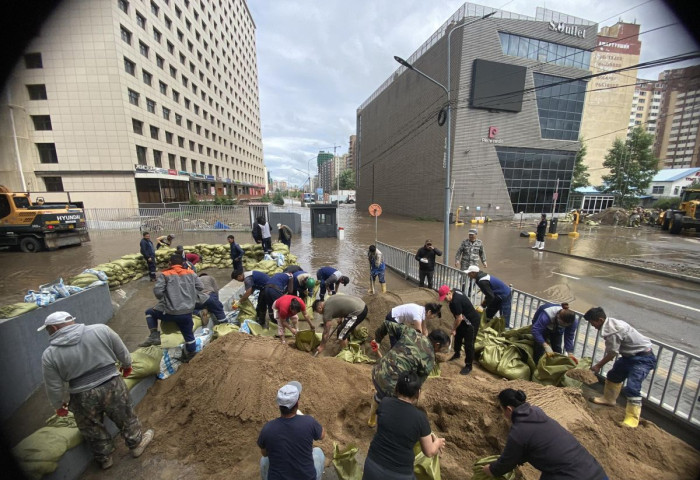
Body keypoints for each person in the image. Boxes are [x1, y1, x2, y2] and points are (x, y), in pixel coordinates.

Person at [39, 311, 154, 470]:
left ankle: (105, 458)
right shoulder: (101, 330)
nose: (47, 333)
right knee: (125, 416)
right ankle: (136, 445)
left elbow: (53, 385)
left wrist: (59, 405)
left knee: (92, 427)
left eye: (47, 330)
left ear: (53, 327)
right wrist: (127, 366)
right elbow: (121, 350)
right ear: (72, 321)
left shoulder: (49, 354)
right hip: (111, 384)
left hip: (81, 394)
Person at [482, 389, 607, 480]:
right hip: (595, 472)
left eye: (502, 410)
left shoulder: (518, 431)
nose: (503, 414)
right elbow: (535, 443)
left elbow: (505, 464)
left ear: (508, 409)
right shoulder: (537, 412)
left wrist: (491, 470)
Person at [363, 373, 446, 480]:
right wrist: (438, 442)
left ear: (396, 388)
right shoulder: (420, 418)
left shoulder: (384, 403)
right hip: (399, 474)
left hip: (372, 466)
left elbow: (382, 428)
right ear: (418, 393)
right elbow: (429, 452)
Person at [584, 307, 657, 428]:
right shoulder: (610, 323)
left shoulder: (613, 331)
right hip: (629, 356)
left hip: (643, 358)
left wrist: (598, 366)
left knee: (633, 388)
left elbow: (612, 353)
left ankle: (632, 419)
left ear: (600, 319)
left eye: (593, 322)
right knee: (613, 376)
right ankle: (609, 399)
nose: (592, 326)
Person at [368, 321, 450, 427]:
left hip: (377, 373)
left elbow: (386, 324)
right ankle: (386, 422)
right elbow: (416, 384)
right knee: (400, 401)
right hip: (391, 388)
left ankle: (371, 419)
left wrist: (378, 340)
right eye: (443, 349)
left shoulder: (411, 332)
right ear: (437, 345)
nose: (443, 352)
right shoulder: (430, 358)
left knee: (381, 392)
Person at [258, 381, 326, 480]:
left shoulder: (268, 428)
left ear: (279, 405)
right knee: (318, 452)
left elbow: (264, 453)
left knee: (264, 460)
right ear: (297, 403)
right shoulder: (308, 422)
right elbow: (322, 435)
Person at [154, 254, 204, 362]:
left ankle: (154, 335)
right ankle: (191, 354)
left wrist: (168, 297)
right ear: (183, 263)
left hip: (171, 312)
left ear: (170, 263)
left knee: (149, 312)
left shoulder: (165, 274)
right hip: (187, 311)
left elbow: (158, 292)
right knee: (189, 334)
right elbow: (200, 287)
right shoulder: (191, 273)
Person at [439, 285, 481, 375]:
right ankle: (457, 353)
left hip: (471, 322)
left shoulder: (455, 302)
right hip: (464, 320)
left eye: (445, 297)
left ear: (449, 293)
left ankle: (468, 365)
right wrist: (456, 330)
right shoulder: (455, 291)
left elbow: (459, 318)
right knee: (458, 337)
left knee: (469, 344)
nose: (445, 300)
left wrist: (453, 329)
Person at [455, 228, 487, 294]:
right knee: (463, 277)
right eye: (469, 235)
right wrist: (457, 260)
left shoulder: (479, 243)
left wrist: (484, 261)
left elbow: (482, 253)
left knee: (474, 277)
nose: (470, 236)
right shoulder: (464, 242)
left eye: (472, 235)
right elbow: (459, 251)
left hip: (475, 264)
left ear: (476, 234)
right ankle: (463, 291)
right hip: (465, 263)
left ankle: (470, 291)